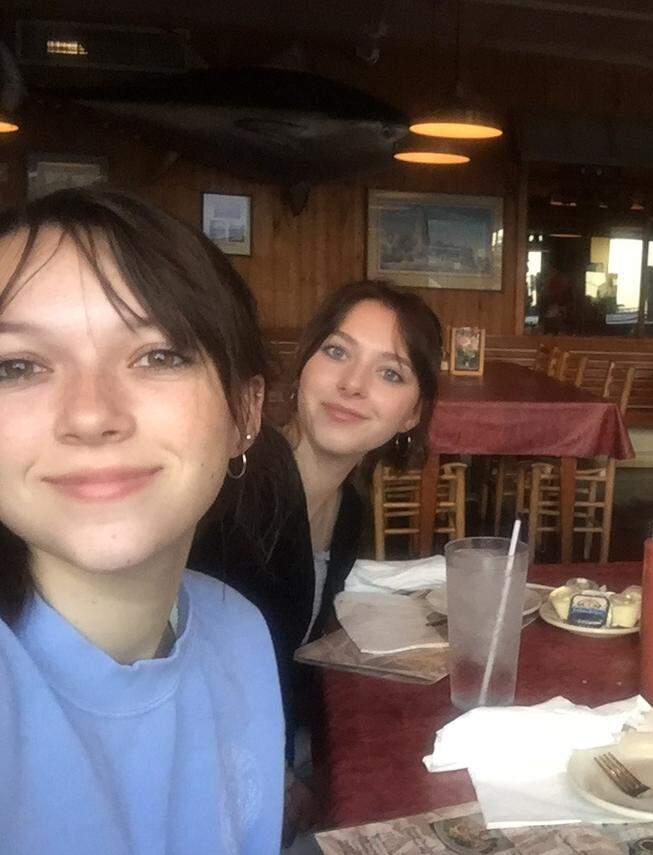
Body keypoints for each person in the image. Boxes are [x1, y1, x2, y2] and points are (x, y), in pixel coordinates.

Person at [0, 187, 282, 853]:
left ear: (245, 413)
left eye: (159, 355)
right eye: (17, 365)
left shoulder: (239, 633)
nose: (91, 415)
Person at [191, 279, 442, 840]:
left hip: (283, 744)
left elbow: (288, 653)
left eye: (390, 373)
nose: (351, 384)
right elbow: (194, 676)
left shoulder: (349, 507)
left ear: (410, 415)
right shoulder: (235, 488)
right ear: (304, 366)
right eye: (336, 352)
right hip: (207, 780)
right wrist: (279, 779)